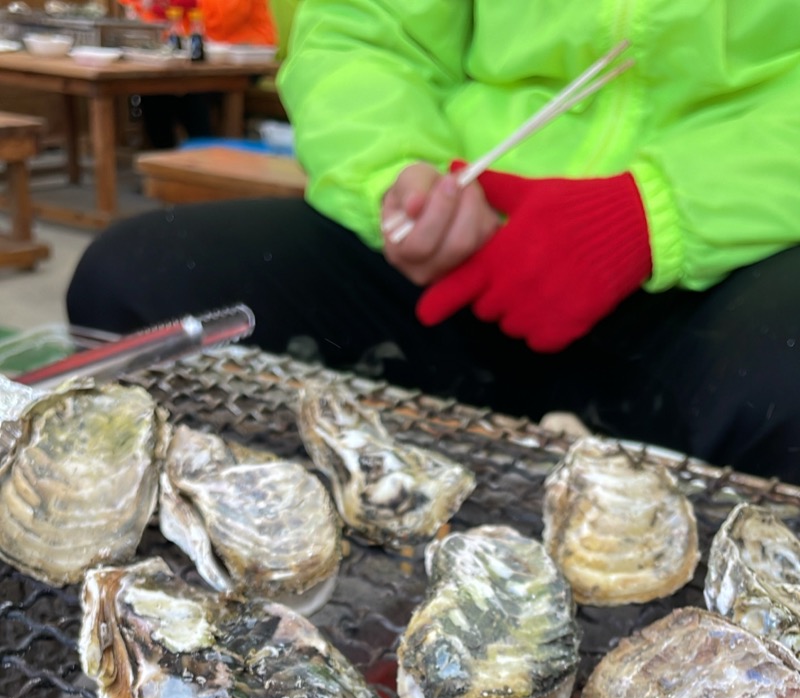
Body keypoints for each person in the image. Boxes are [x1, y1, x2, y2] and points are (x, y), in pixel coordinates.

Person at [67, 2, 800, 480]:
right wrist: (396, 175)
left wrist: (655, 214)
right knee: (137, 286)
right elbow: (363, 27)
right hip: (463, 243)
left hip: (730, 260)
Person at [127, 0, 277, 149]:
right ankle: (169, 160)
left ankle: (201, 155)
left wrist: (183, 4)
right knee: (155, 91)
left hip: (245, 59)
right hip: (195, 60)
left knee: (189, 93)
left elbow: (222, 20)